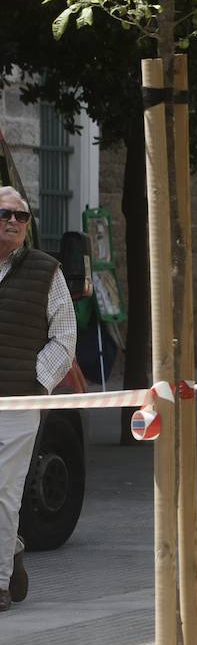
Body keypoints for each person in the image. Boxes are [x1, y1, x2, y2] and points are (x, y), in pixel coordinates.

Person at [0, 187, 75, 612]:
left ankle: (0, 585)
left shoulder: (47, 271)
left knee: (5, 490)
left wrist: (34, 382)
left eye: (22, 216)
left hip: (16, 403)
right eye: (4, 213)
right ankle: (11, 549)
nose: (13, 221)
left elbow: (64, 339)